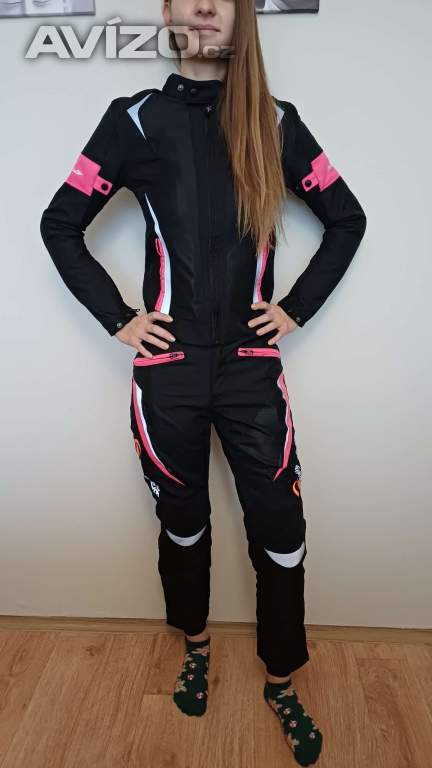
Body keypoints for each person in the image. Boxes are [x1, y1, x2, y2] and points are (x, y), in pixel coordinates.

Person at [40, 0, 366, 764]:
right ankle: (194, 644)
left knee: (279, 531)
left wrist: (295, 309)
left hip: (251, 369)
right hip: (170, 371)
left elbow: (346, 218)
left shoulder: (275, 122)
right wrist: (119, 318)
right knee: (181, 525)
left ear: (240, 17)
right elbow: (60, 223)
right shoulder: (135, 120)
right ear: (168, 13)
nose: (205, 6)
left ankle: (280, 679)